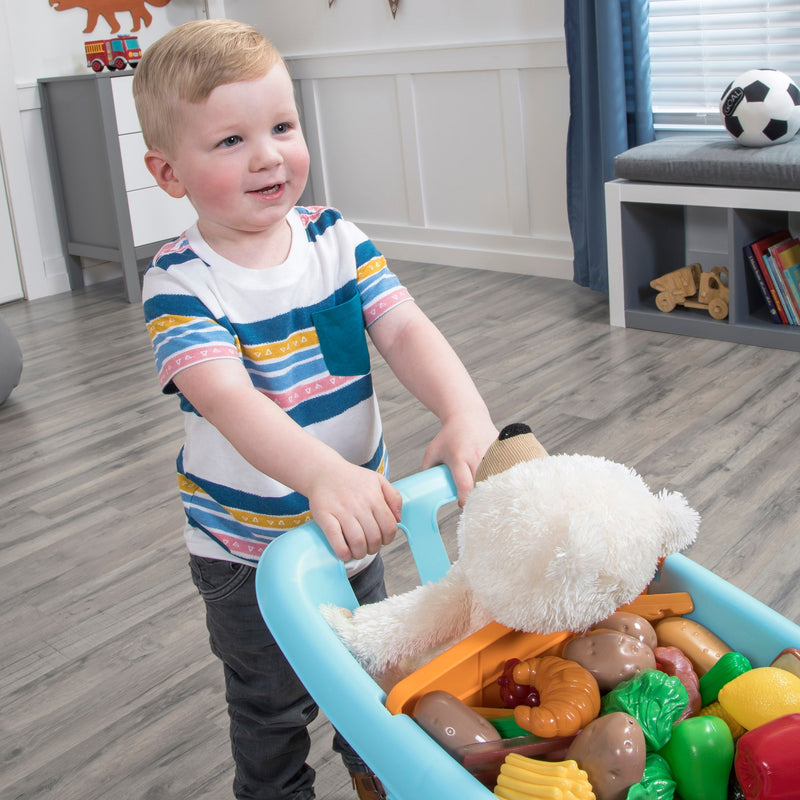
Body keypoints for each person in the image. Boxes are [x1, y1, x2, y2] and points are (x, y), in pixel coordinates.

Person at [133, 18, 498, 800]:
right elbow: (227, 399)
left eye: (281, 126)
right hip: (248, 553)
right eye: (230, 141)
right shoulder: (180, 284)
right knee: (273, 711)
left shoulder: (337, 240)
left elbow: (404, 330)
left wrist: (464, 411)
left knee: (371, 683)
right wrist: (322, 474)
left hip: (356, 527)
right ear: (169, 173)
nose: (267, 154)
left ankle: (381, 784)